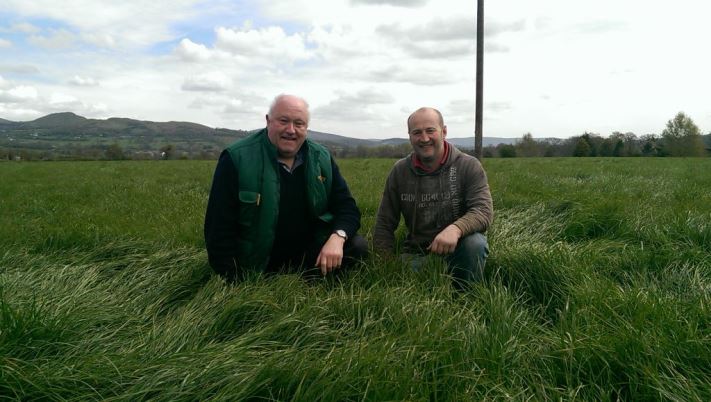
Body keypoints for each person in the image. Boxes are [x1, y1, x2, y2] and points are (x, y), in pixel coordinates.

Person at [204, 94, 367, 282]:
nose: (291, 130)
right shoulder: (236, 159)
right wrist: (231, 280)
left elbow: (347, 208)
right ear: (268, 121)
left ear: (306, 128)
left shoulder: (321, 157)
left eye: (299, 123)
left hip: (310, 254)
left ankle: (313, 279)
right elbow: (219, 227)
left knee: (357, 245)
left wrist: (337, 238)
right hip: (258, 262)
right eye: (284, 121)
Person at [373, 107, 493, 289]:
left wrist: (455, 229)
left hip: (458, 251)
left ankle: (468, 298)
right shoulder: (400, 171)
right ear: (410, 136)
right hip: (415, 254)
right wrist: (384, 266)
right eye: (417, 133)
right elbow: (384, 222)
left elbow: (483, 211)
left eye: (430, 130)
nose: (424, 138)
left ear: (444, 131)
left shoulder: (468, 166)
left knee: (475, 243)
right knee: (402, 289)